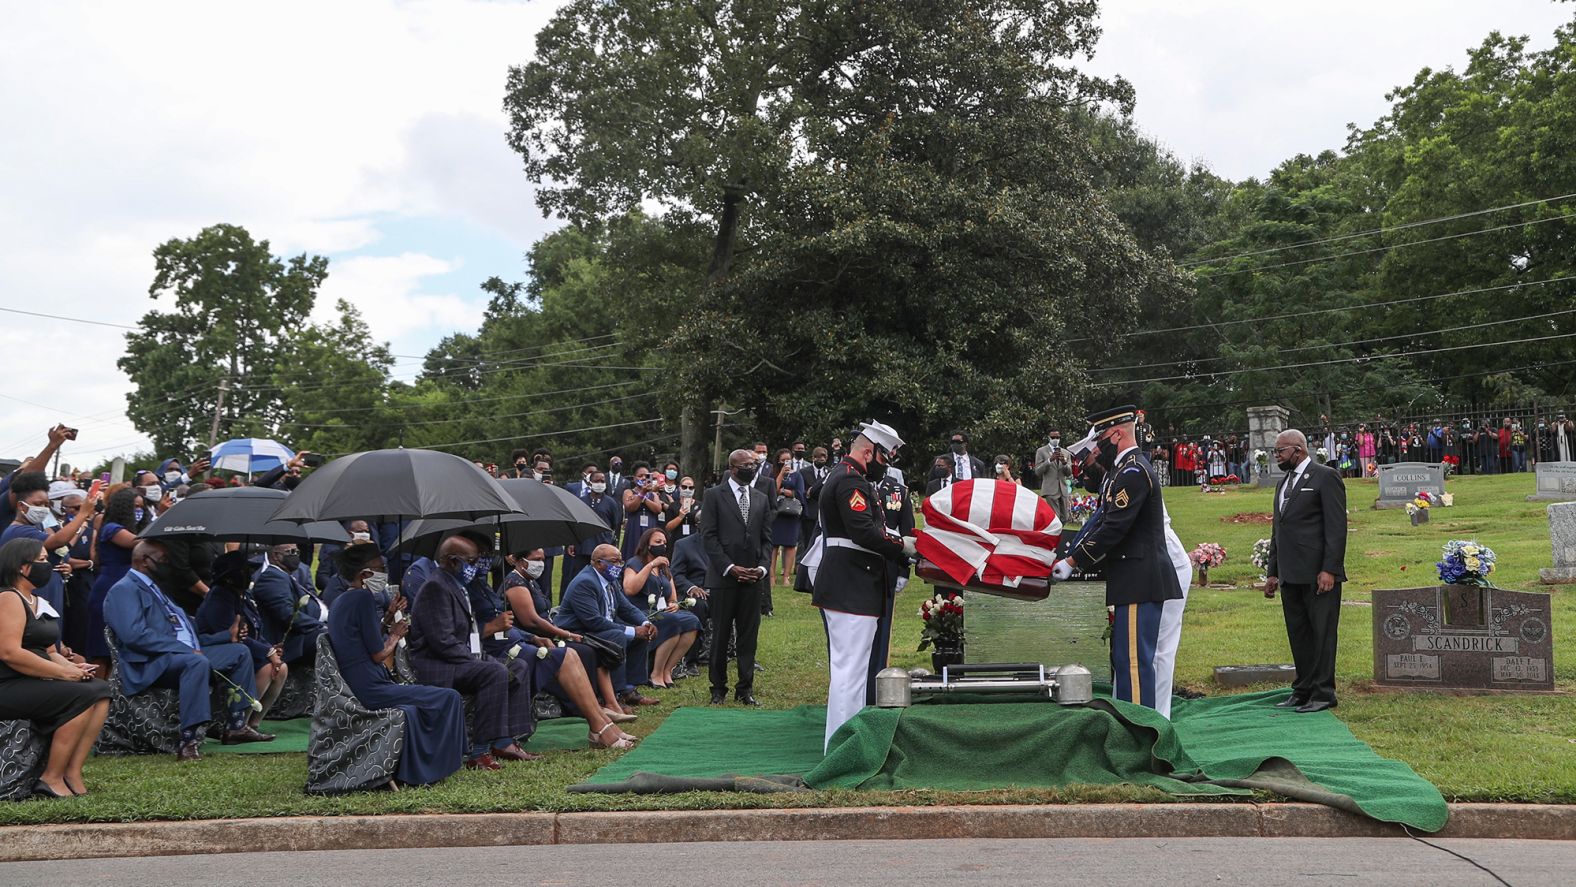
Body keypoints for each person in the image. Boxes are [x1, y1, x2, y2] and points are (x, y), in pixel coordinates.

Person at [1051, 406, 1185, 714]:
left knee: (1136, 662)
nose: (1097, 447)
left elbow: (1114, 527)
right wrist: (1070, 554)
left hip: (1141, 578)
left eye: (1101, 439)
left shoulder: (1133, 472)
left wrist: (1074, 562)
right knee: (1125, 659)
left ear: (1117, 434)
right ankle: (1129, 724)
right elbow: (1101, 521)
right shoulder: (1120, 471)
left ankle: (1141, 732)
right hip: (1131, 578)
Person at [103, 540, 273, 760]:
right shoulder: (124, 589)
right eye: (165, 560)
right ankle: (188, 740)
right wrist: (182, 650)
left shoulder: (160, 590)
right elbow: (133, 635)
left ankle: (236, 726)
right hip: (152, 661)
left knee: (239, 652)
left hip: (185, 655)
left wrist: (226, 636)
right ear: (145, 561)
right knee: (196, 663)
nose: (170, 565)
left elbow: (190, 634)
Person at [328, 542, 468, 785]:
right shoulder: (362, 598)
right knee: (449, 697)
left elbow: (362, 639)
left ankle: (421, 768)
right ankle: (446, 762)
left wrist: (387, 619)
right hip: (371, 688)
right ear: (365, 574)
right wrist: (395, 635)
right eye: (380, 568)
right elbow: (378, 654)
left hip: (359, 682)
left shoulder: (344, 599)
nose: (385, 573)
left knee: (415, 709)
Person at [811, 421, 913, 749]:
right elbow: (864, 532)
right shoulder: (850, 481)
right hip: (850, 586)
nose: (886, 463)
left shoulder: (847, 478)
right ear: (869, 452)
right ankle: (841, 748)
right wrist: (904, 546)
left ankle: (848, 742)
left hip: (853, 585)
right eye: (885, 456)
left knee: (853, 671)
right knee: (849, 672)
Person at [407, 534, 535, 771]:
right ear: (453, 561)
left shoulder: (458, 586)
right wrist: (478, 660)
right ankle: (479, 752)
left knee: (519, 665)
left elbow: (468, 635)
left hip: (460, 657)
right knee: (494, 672)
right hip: (437, 664)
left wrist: (479, 657)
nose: (475, 567)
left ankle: (507, 741)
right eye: (472, 561)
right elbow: (443, 642)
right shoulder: (435, 587)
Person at [0, 537, 111, 797]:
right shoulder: (8, 598)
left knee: (100, 690)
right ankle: (50, 777)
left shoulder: (35, 600)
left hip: (33, 680)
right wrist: (64, 674)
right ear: (22, 567)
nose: (48, 564)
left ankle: (71, 771)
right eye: (41, 560)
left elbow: (50, 651)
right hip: (8, 683)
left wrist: (76, 669)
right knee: (82, 696)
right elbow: (10, 652)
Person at [1264, 429, 1348, 713]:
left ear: (1297, 450)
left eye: (1280, 451)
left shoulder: (1326, 477)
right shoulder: (1282, 484)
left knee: (1321, 634)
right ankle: (1302, 690)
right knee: (1299, 634)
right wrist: (1272, 572)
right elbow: (1278, 530)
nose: (1277, 456)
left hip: (1318, 575)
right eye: (1276, 451)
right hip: (1290, 574)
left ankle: (1323, 694)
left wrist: (1329, 569)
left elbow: (1336, 529)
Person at [500, 547, 632, 727]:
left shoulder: (530, 581)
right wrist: (566, 634)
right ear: (521, 561)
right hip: (529, 638)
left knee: (592, 651)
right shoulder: (514, 582)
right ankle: (584, 706)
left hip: (548, 634)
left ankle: (605, 703)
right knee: (584, 652)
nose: (541, 563)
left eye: (543, 559)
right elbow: (532, 621)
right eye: (536, 559)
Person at [699, 449, 773, 706]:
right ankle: (718, 688)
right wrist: (729, 567)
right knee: (720, 635)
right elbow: (708, 536)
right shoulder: (713, 496)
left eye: (754, 464)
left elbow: (766, 539)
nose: (752, 468)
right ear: (732, 468)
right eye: (746, 465)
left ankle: (745, 689)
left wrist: (762, 569)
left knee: (748, 635)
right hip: (723, 578)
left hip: (753, 577)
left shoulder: (761, 498)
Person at [555, 544, 659, 708]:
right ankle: (615, 695)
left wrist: (645, 623)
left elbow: (626, 608)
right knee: (618, 636)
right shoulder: (585, 582)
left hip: (600, 628)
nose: (618, 566)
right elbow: (593, 621)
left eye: (620, 561)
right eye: (614, 562)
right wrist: (632, 630)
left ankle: (629, 689)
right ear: (597, 563)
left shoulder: (610, 581)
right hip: (578, 633)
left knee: (641, 635)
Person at [195, 552, 287, 729]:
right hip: (218, 649)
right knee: (268, 669)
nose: (249, 575)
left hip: (245, 649)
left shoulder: (243, 596)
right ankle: (238, 724)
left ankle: (254, 723)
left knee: (281, 668)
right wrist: (268, 652)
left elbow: (254, 632)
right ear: (229, 578)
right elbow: (233, 637)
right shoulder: (219, 597)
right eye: (243, 572)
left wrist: (271, 648)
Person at [623, 529, 701, 688]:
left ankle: (667, 670)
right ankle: (655, 674)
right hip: (639, 612)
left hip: (661, 612)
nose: (662, 546)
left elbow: (672, 598)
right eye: (657, 542)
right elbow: (630, 589)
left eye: (664, 543)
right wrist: (651, 565)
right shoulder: (634, 563)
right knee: (672, 621)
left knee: (692, 621)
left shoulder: (665, 567)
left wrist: (673, 604)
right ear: (647, 544)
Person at [252, 543, 326, 670]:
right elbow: (287, 615)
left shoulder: (287, 574)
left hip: (312, 626)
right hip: (296, 639)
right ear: (276, 556)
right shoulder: (272, 577)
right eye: (291, 552)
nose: (296, 556)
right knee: (330, 637)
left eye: (297, 552)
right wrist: (320, 625)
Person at [561, 470, 620, 603]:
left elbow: (615, 525)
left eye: (602, 481)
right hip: (583, 545)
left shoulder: (611, 503)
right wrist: (571, 542)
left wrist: (614, 546)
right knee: (579, 576)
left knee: (602, 577)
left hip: (603, 545)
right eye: (596, 481)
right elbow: (574, 522)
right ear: (589, 482)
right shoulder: (581, 501)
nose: (599, 484)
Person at [770, 449, 806, 587]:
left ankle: (786, 577)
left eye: (788, 460)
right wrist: (781, 474)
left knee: (790, 545)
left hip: (791, 514)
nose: (786, 462)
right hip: (776, 514)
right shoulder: (772, 473)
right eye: (783, 460)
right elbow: (772, 489)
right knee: (773, 545)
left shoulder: (797, 475)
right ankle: (771, 576)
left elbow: (800, 493)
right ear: (778, 461)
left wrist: (786, 492)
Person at [619, 464, 668, 559]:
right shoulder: (628, 492)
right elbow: (630, 507)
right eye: (640, 476)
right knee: (632, 554)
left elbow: (658, 509)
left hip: (650, 528)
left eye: (646, 476)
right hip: (634, 528)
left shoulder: (653, 494)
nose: (643, 478)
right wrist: (642, 493)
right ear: (634, 478)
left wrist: (643, 498)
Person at [1033, 431, 1072, 524]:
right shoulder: (1041, 451)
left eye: (1057, 437)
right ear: (1049, 438)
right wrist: (1049, 460)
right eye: (1053, 437)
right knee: (1055, 517)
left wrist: (1064, 462)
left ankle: (1059, 535)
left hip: (1063, 488)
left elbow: (1069, 473)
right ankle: (1055, 536)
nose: (1056, 439)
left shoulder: (1066, 453)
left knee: (1065, 518)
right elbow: (1037, 471)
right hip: (1050, 489)